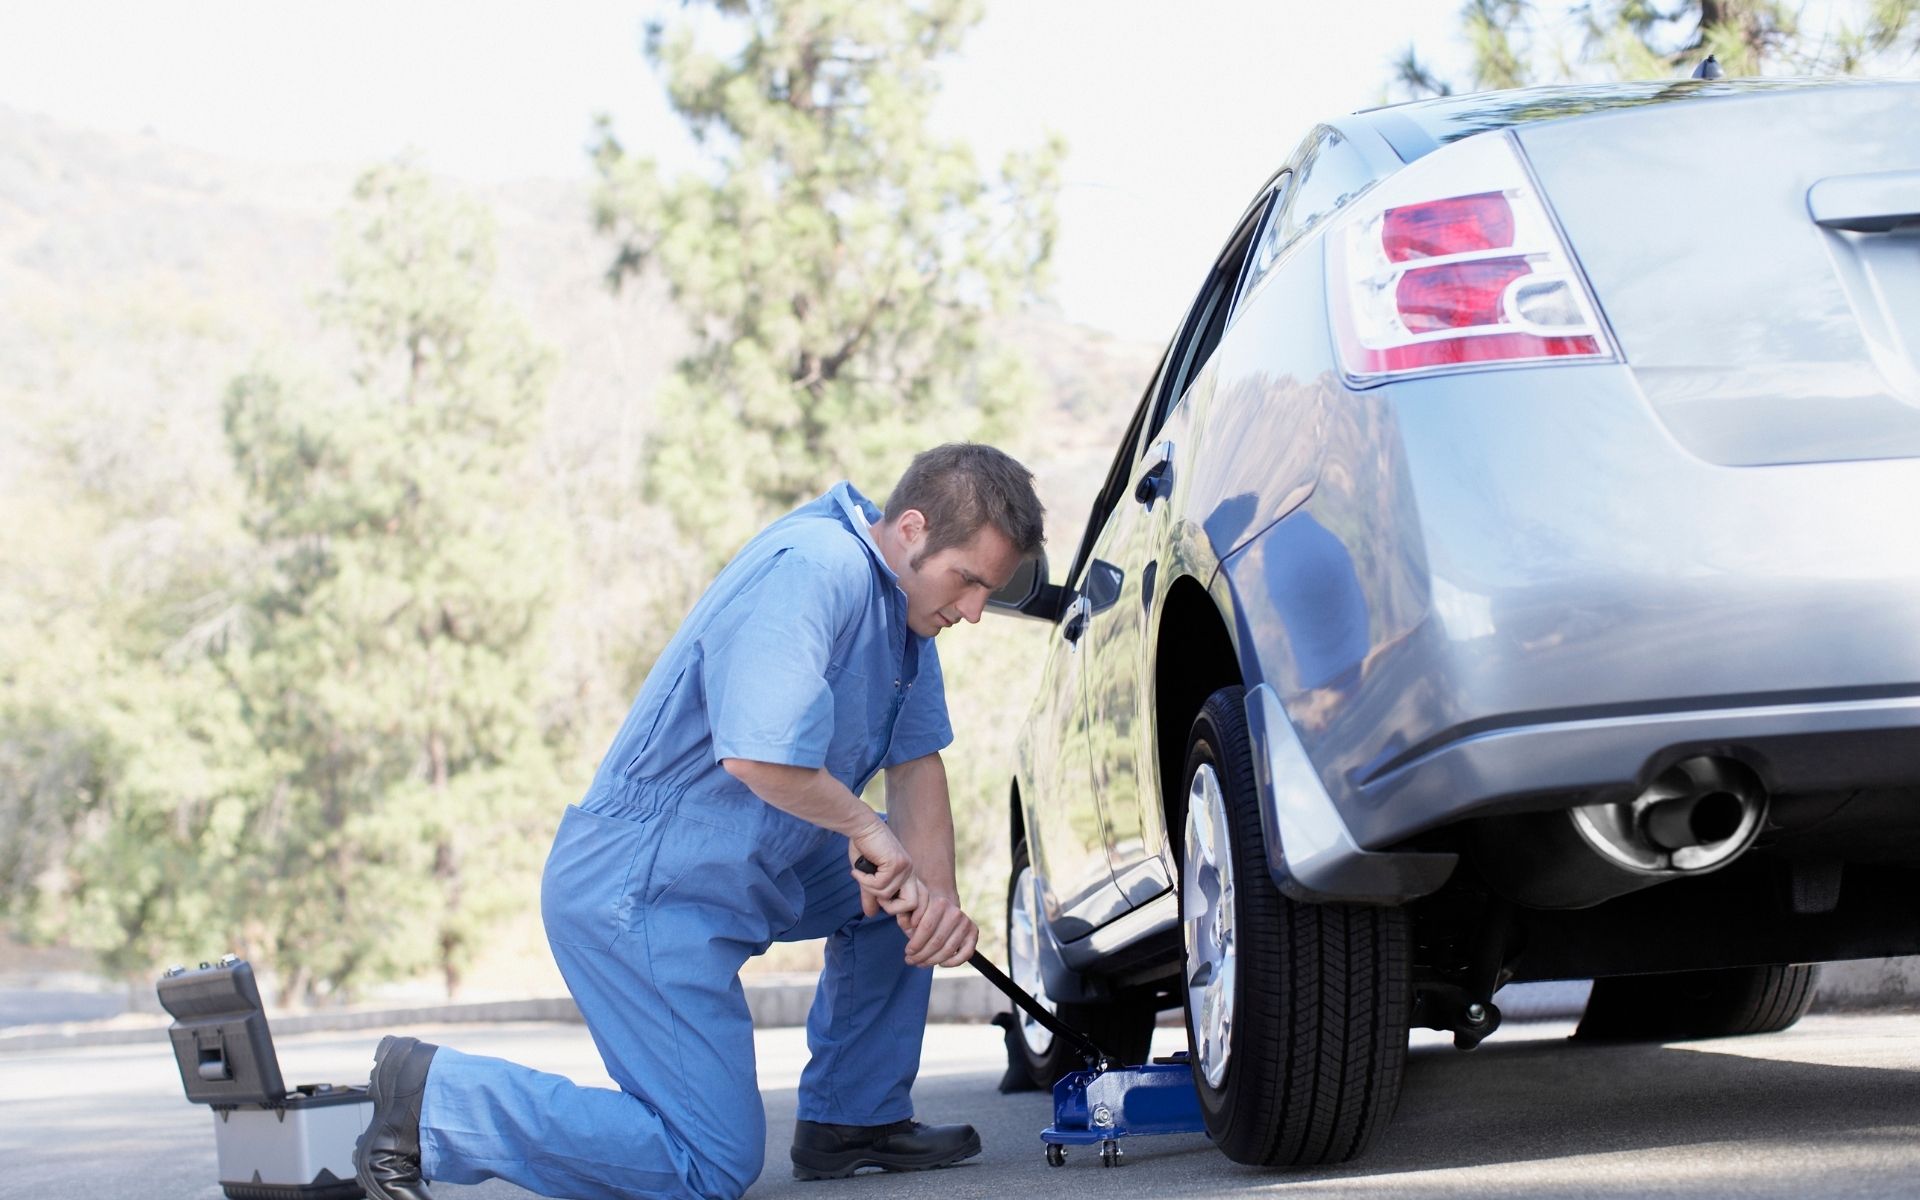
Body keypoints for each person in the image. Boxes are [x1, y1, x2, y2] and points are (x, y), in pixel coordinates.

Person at [353, 443, 1046, 1200]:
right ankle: (434, 1100)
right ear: (911, 530)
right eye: (970, 581)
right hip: (642, 887)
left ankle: (854, 1119)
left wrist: (936, 900)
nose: (977, 610)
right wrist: (869, 833)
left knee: (899, 895)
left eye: (991, 589)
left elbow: (916, 763)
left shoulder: (906, 613)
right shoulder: (817, 567)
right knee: (707, 1164)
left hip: (747, 861)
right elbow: (756, 755)